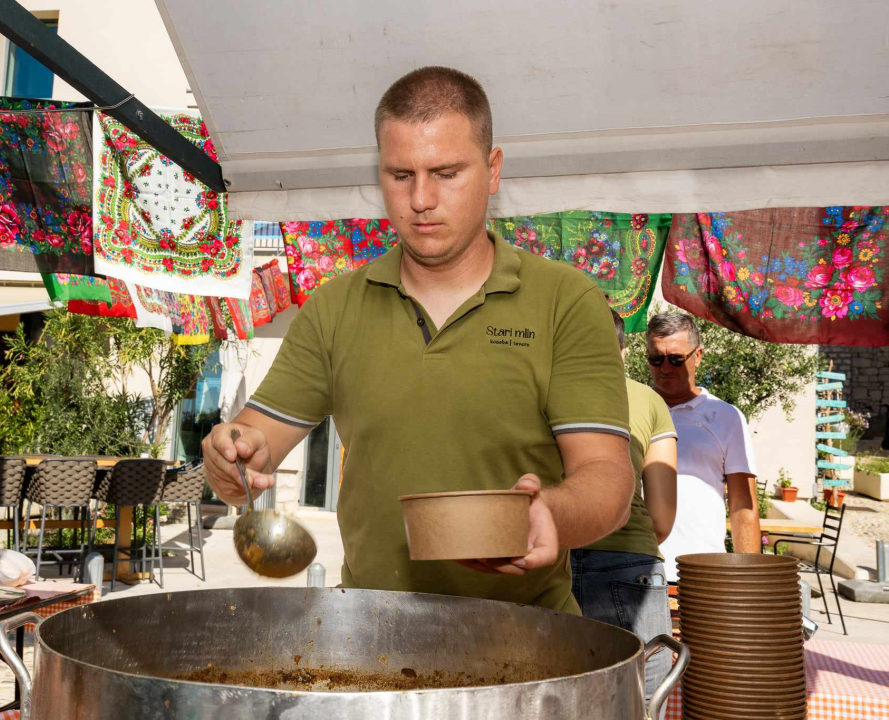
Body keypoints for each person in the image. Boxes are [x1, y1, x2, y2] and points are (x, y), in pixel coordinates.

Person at [202, 66, 634, 613]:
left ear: (493, 168)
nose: (421, 198)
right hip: (368, 637)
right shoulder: (334, 307)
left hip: (526, 642)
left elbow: (608, 479)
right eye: (400, 175)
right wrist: (230, 458)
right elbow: (250, 453)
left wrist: (549, 511)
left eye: (446, 172)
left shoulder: (563, 301)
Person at [571, 309, 677, 702]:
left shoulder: (538, 389)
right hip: (629, 561)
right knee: (640, 702)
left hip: (550, 559)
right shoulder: (649, 401)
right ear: (622, 349)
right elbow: (663, 517)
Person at [647, 312, 761, 581]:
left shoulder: (725, 417)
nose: (665, 368)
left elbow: (743, 503)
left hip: (702, 571)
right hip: (636, 569)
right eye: (656, 358)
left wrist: (748, 577)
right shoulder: (633, 409)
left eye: (675, 359)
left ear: (697, 356)